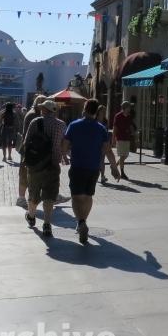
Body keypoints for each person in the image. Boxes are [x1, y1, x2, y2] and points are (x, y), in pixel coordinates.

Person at [61, 99, 120, 244]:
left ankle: (81, 222)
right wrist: (114, 168)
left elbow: (64, 146)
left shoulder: (74, 126)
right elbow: (108, 150)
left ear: (85, 110)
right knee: (88, 196)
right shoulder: (101, 128)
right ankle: (84, 221)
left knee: (76, 197)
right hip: (94, 168)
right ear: (96, 112)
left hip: (78, 166)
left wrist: (69, 155)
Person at [21, 99, 69, 236]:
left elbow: (26, 143)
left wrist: (28, 159)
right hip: (53, 165)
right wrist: (64, 158)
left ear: (45, 110)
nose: (40, 110)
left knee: (34, 193)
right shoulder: (61, 124)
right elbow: (63, 145)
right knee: (50, 194)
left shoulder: (35, 122)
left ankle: (31, 216)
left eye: (42, 108)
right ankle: (47, 224)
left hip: (36, 165)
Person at [111, 101, 137, 179]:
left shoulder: (129, 116)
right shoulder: (118, 116)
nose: (130, 108)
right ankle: (122, 172)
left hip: (127, 138)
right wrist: (113, 139)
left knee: (125, 156)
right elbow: (115, 128)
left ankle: (114, 166)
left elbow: (130, 126)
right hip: (120, 138)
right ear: (125, 107)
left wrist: (134, 135)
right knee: (122, 156)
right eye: (129, 107)